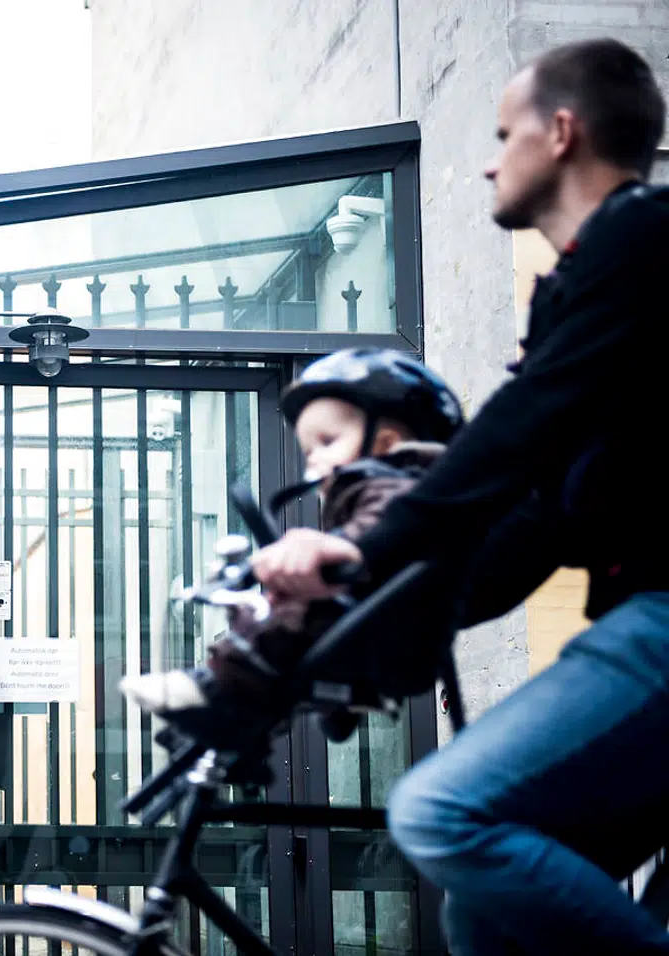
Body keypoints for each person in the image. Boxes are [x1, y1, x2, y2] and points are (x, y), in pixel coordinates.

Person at [248, 39, 669, 955]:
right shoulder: (593, 287)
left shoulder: (644, 237)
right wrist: (374, 609)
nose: (487, 157)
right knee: (486, 903)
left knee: (439, 810)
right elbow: (540, 513)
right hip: (638, 618)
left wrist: (364, 549)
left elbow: (516, 430)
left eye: (502, 132)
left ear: (561, 134)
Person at [120, 349, 462, 740]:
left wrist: (341, 547)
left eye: (328, 442)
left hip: (384, 640)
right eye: (307, 451)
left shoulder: (396, 488)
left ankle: (219, 684)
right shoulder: (379, 488)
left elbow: (387, 525)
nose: (313, 463)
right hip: (379, 640)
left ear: (385, 444)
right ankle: (256, 710)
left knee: (280, 614)